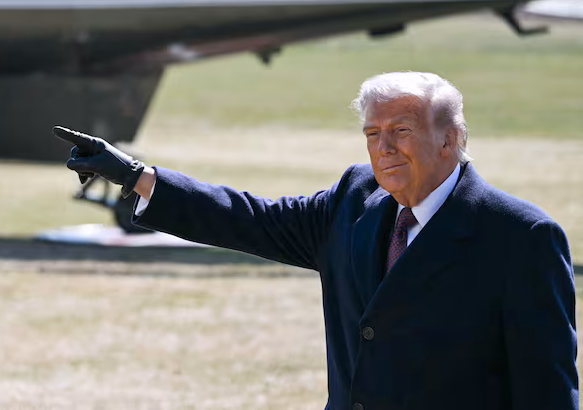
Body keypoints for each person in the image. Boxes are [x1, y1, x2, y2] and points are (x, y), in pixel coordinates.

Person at [53, 71, 578, 410]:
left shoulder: (521, 237)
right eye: (373, 134)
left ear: (451, 139)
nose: (385, 148)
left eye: (402, 130)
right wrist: (137, 175)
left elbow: (549, 391)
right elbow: (248, 218)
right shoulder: (354, 200)